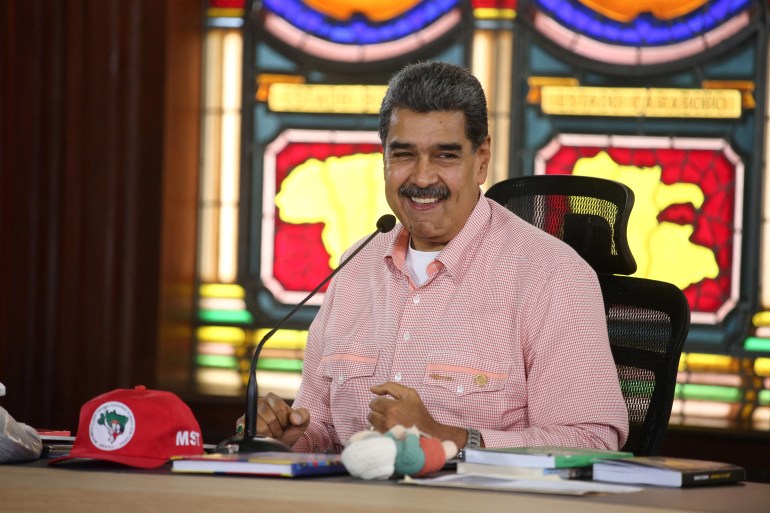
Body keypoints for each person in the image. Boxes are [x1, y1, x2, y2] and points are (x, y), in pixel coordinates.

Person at [245, 61, 629, 455]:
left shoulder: (552, 274)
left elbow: (591, 442)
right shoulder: (354, 266)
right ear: (384, 160)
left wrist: (449, 438)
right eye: (405, 155)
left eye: (445, 155)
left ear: (481, 160)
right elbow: (322, 425)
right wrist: (285, 437)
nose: (423, 178)